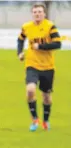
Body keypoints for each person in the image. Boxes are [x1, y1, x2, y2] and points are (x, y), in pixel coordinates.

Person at [17, 2, 61, 131]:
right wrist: (20, 52)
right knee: (30, 90)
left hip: (48, 66)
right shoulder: (27, 27)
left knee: (46, 96)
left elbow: (58, 44)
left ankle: (46, 120)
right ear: (32, 14)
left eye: (40, 12)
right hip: (32, 64)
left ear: (44, 14)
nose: (37, 14)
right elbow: (20, 39)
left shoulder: (50, 26)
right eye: (35, 12)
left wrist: (40, 46)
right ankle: (35, 119)